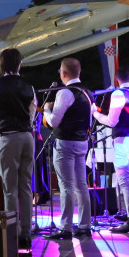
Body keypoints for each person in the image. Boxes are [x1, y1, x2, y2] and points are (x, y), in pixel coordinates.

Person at [0, 47, 37, 247]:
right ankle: (26, 232)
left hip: (8, 137)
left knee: (9, 189)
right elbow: (32, 110)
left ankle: (13, 232)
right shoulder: (28, 85)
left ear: (1, 65)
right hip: (27, 136)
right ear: (19, 65)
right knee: (25, 187)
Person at [93, 66, 129, 234]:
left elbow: (112, 121)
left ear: (117, 80)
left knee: (126, 181)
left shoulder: (118, 94)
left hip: (122, 141)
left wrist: (96, 114)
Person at [42, 57, 94, 240]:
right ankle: (85, 225)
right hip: (82, 142)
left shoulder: (65, 93)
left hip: (65, 142)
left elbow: (54, 121)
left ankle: (65, 227)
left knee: (66, 186)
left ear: (63, 73)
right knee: (81, 184)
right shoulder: (87, 92)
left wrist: (47, 110)